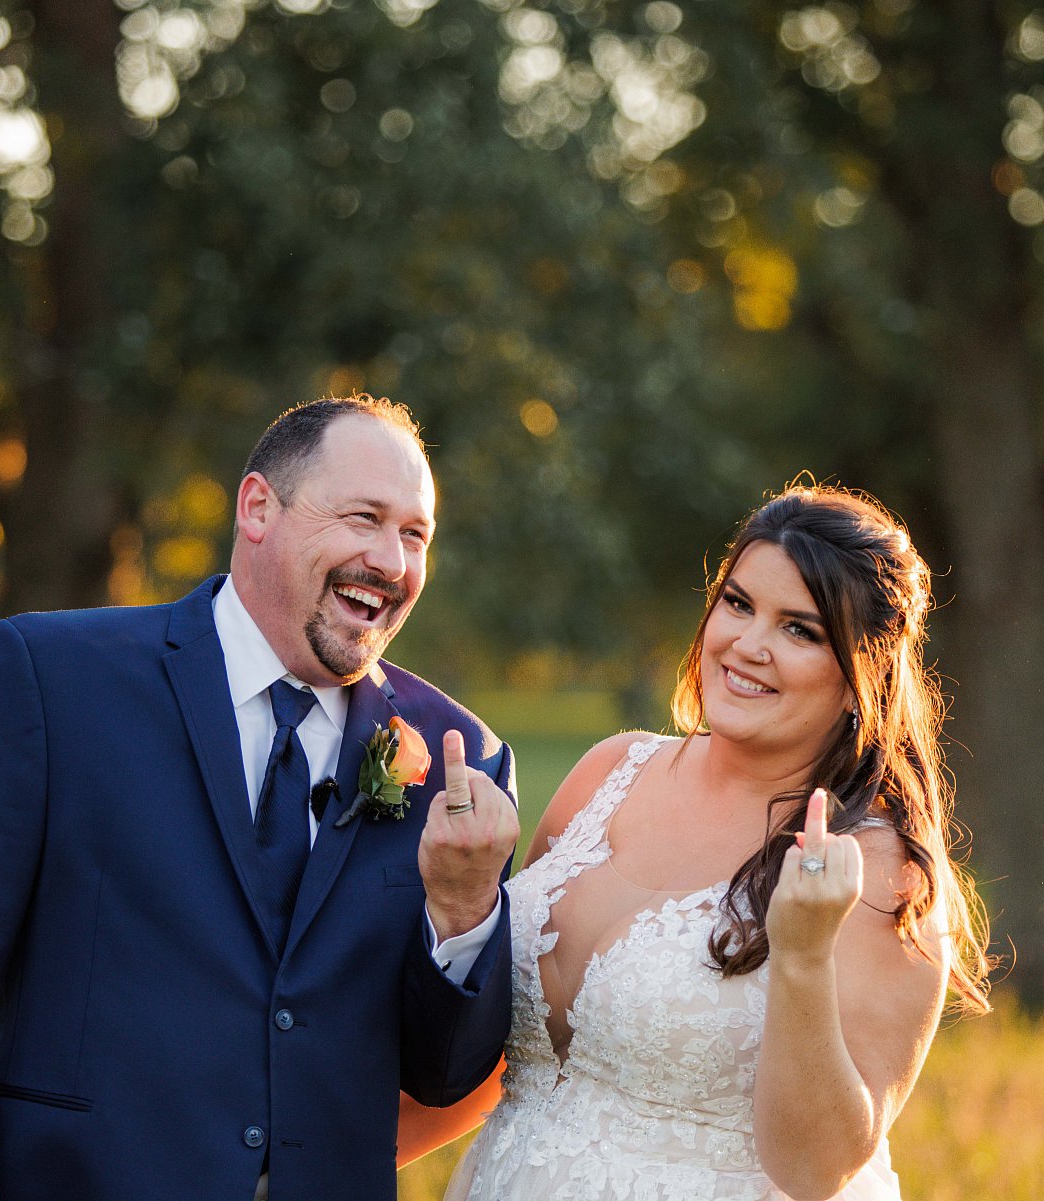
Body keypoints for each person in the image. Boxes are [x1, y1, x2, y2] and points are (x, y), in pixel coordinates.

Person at [0, 395, 521, 1201]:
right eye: (363, 518)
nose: (392, 560)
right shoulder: (47, 683)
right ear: (257, 508)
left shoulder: (462, 761)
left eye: (415, 534)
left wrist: (462, 913)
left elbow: (447, 1077)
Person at [400, 485, 992, 1200]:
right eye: (738, 603)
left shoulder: (875, 868)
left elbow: (816, 1169)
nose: (748, 644)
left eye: (799, 630)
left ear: (858, 679)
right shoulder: (608, 771)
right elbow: (499, 1054)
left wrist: (802, 956)